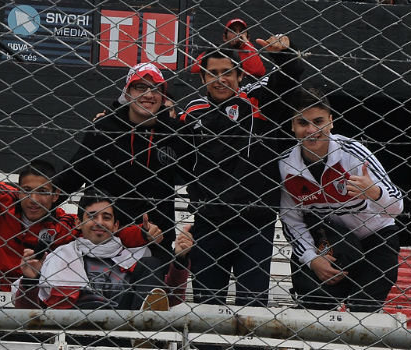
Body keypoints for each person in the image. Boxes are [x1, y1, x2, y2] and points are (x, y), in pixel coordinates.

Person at [179, 35, 304, 306]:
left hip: (255, 224)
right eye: (213, 73)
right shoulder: (191, 113)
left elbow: (289, 78)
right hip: (209, 224)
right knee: (206, 310)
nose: (221, 79)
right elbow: (175, 156)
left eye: (227, 73)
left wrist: (284, 54)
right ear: (202, 79)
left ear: (239, 75)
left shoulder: (258, 101)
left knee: (253, 310)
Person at [54, 63, 193, 266]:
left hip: (155, 238)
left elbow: (200, 175)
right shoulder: (104, 128)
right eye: (140, 88)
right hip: (104, 236)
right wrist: (41, 204)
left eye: (155, 89)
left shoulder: (177, 134)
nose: (148, 94)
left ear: (163, 97)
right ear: (127, 93)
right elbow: (73, 175)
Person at [279, 87, 403, 311]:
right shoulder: (285, 166)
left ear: (331, 122)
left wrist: (374, 192)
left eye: (319, 121)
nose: (311, 130)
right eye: (302, 123)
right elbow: (291, 220)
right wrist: (311, 259)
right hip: (328, 243)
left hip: (375, 238)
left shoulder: (354, 152)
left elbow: (397, 207)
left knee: (362, 312)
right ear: (292, 126)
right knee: (314, 311)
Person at [0, 160, 163, 292]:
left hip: (33, 292)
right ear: (18, 191)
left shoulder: (65, 224)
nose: (33, 200)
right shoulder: (2, 200)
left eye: (43, 192)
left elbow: (106, 232)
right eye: (26, 190)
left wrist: (142, 233)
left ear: (56, 195)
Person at [14, 190, 193, 310]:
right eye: (91, 216)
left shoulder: (139, 258)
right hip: (74, 333)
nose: (99, 222)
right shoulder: (58, 257)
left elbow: (171, 299)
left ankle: (145, 328)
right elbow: (25, 310)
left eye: (106, 217)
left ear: (116, 226)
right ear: (78, 223)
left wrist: (180, 259)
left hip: (125, 333)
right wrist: (31, 280)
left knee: (152, 262)